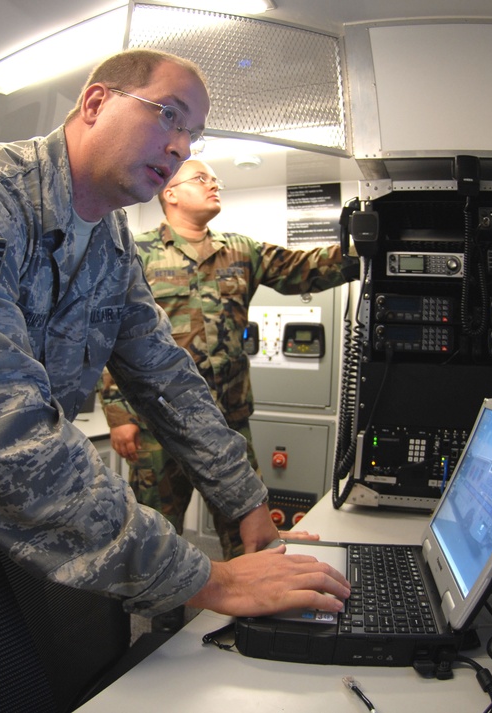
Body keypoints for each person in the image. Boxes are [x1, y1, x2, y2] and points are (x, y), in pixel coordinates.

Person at [0, 48, 349, 623]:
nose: (182, 148)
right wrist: (211, 580)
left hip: (8, 531)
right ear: (96, 103)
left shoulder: (109, 241)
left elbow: (166, 377)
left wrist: (246, 500)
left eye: (194, 134)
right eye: (169, 114)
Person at [100, 159, 357, 565]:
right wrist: (119, 415)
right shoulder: (137, 253)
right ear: (170, 193)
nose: (214, 185)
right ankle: (165, 624)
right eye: (201, 178)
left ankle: (250, 618)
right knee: (158, 535)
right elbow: (112, 335)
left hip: (227, 424)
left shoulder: (240, 250)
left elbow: (304, 270)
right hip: (157, 425)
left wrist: (362, 249)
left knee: (248, 529)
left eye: (216, 179)